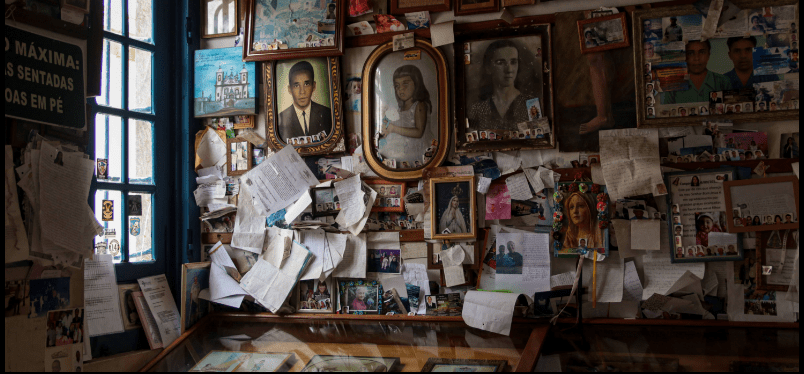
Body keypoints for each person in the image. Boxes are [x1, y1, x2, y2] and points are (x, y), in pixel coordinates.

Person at [467, 40, 536, 132]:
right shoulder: (477, 109)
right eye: (500, 63)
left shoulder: (531, 105)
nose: (509, 69)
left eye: (513, 62)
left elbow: (539, 139)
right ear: (488, 68)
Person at [379, 65, 436, 165]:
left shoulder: (420, 105)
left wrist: (393, 128)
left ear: (416, 84)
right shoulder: (400, 108)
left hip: (421, 151)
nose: (400, 89)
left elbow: (419, 132)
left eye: (405, 84)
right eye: (397, 85)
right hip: (407, 151)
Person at [278, 61, 332, 141]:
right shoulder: (281, 119)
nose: (302, 92)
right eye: (296, 85)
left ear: (314, 86)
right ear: (290, 89)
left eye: (306, 84)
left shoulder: (327, 114)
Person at [663, 40, 730, 104]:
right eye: (691, 53)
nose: (697, 58)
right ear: (684, 56)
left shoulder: (723, 82)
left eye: (702, 52)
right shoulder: (673, 84)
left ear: (708, 55)